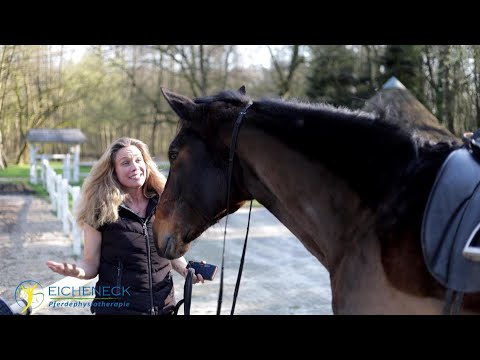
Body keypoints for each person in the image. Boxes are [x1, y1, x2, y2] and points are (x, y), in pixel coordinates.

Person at [47, 137, 204, 315]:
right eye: (126, 163)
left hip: (164, 308)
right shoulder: (100, 210)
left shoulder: (165, 203)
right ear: (113, 171)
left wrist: (186, 270)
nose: (135, 167)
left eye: (138, 160)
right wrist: (77, 271)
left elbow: (169, 250)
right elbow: (91, 264)